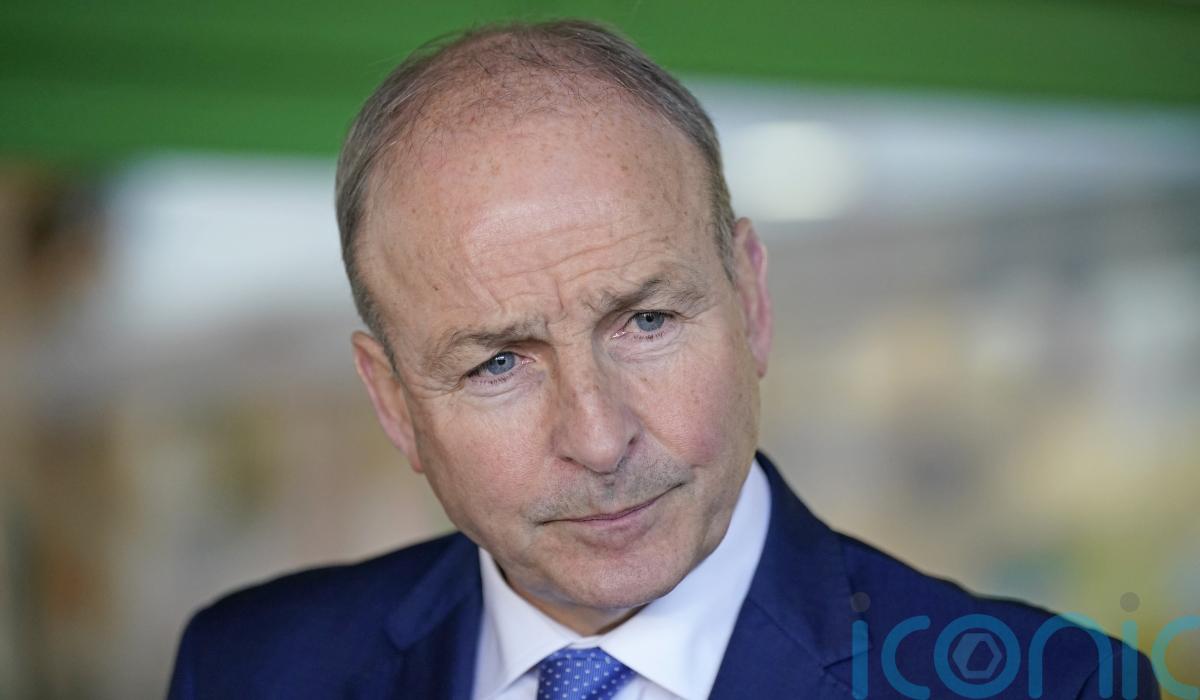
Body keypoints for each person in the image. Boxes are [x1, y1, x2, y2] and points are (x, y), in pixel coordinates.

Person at [168, 19, 1159, 699]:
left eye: (646, 320)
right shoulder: (251, 668)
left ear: (751, 300)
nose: (600, 439)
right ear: (392, 403)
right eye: (498, 365)